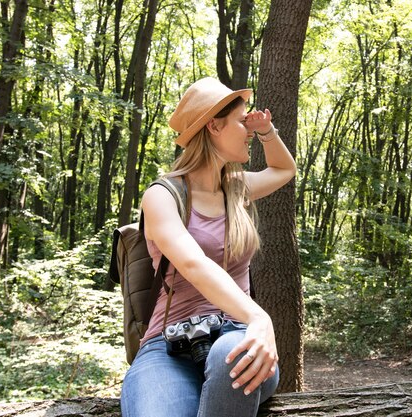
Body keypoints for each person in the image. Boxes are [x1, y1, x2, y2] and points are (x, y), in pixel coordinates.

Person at [120, 77, 297, 417]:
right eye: (242, 121)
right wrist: (260, 316)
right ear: (215, 126)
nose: (248, 129)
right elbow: (193, 264)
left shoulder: (237, 188)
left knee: (234, 352)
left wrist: (267, 131)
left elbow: (283, 169)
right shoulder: (162, 196)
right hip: (166, 347)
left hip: (240, 336)